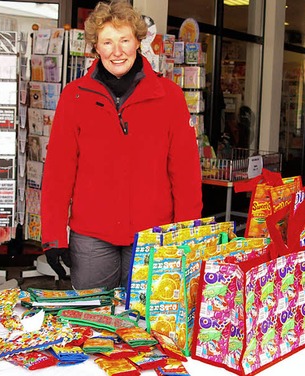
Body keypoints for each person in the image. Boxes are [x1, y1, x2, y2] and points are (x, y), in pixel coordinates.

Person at [41, 0, 203, 290]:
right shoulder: (74, 97)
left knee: (147, 324)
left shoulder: (169, 97)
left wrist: (186, 232)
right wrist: (53, 235)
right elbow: (58, 171)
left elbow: (186, 173)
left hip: (154, 235)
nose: (117, 51)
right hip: (91, 236)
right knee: (93, 323)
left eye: (124, 40)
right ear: (95, 47)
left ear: (138, 41)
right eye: (107, 42)